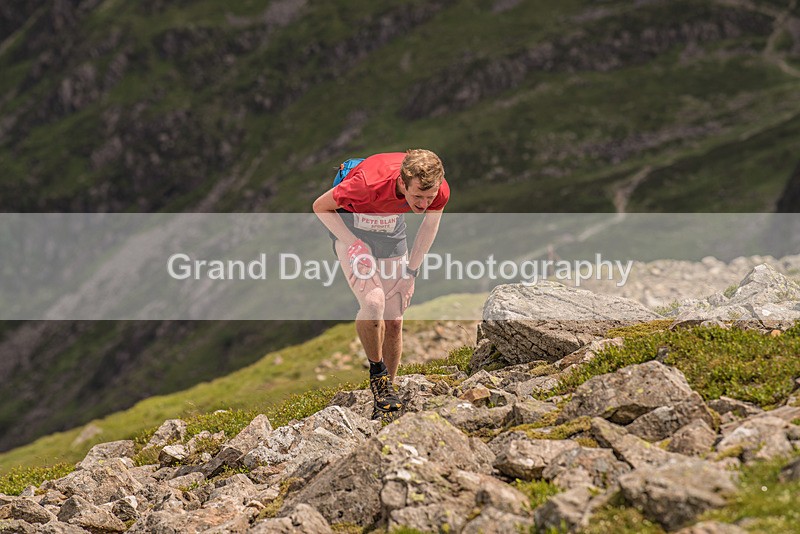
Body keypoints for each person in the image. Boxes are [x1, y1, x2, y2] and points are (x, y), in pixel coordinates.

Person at [312, 149, 450, 421]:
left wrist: (411, 272)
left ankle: (388, 392)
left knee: (395, 317)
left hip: (390, 233)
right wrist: (353, 244)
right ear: (401, 182)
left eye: (428, 198)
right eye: (417, 197)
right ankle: (377, 374)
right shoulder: (366, 183)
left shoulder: (439, 189)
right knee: (374, 303)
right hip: (352, 228)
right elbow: (320, 206)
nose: (422, 205)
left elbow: (429, 226)